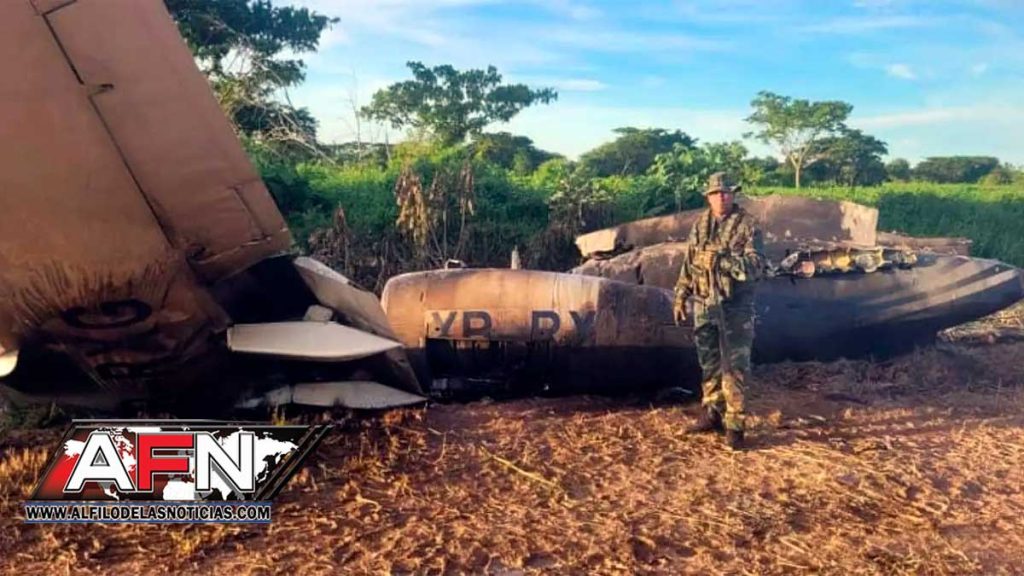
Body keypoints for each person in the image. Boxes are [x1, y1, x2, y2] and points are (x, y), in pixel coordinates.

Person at [673, 172, 765, 450]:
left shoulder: (748, 225)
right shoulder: (700, 224)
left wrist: (723, 261)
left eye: (725, 192)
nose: (720, 197)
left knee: (734, 366)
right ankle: (713, 412)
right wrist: (681, 295)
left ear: (733, 194)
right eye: (715, 193)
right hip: (705, 304)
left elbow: (757, 266)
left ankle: (735, 426)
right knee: (709, 362)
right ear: (708, 197)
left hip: (734, 307)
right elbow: (689, 263)